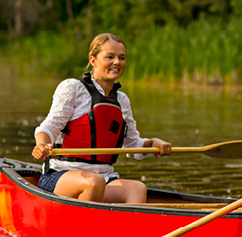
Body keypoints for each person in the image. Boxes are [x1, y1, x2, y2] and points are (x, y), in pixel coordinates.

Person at [32, 33, 172, 204]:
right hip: (60, 175)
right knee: (93, 182)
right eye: (110, 57)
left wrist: (152, 144)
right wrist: (41, 145)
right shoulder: (73, 88)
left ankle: (127, 230)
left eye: (122, 57)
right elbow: (48, 128)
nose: (117, 62)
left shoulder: (122, 100)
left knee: (137, 188)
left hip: (105, 178)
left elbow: (132, 144)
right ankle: (88, 228)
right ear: (93, 61)